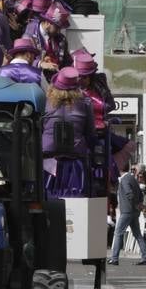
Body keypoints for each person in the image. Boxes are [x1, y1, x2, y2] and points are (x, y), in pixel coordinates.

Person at [42, 67, 95, 199]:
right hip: (75, 160)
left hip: (48, 160)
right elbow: (90, 134)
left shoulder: (44, 103)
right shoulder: (85, 103)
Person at [108, 168, 146, 268]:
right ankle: (145, 258)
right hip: (134, 212)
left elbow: (129, 193)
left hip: (127, 211)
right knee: (137, 235)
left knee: (118, 233)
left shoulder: (124, 179)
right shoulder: (132, 178)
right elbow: (140, 194)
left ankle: (114, 258)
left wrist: (136, 204)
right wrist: (139, 205)